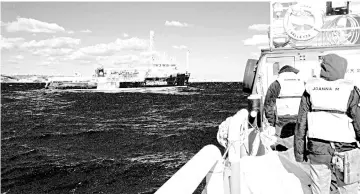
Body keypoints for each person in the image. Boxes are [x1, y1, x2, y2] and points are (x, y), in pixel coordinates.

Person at [294, 53, 360, 194]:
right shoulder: (350, 90)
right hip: (346, 149)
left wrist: (300, 153)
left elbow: (301, 123)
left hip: (318, 149)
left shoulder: (310, 89)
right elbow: (358, 120)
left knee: (319, 189)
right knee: (349, 189)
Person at [264, 65, 305, 149]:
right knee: (298, 144)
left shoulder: (276, 83)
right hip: (299, 119)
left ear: (281, 72)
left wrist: (271, 122)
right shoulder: (302, 82)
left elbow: (268, 104)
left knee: (281, 144)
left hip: (282, 120)